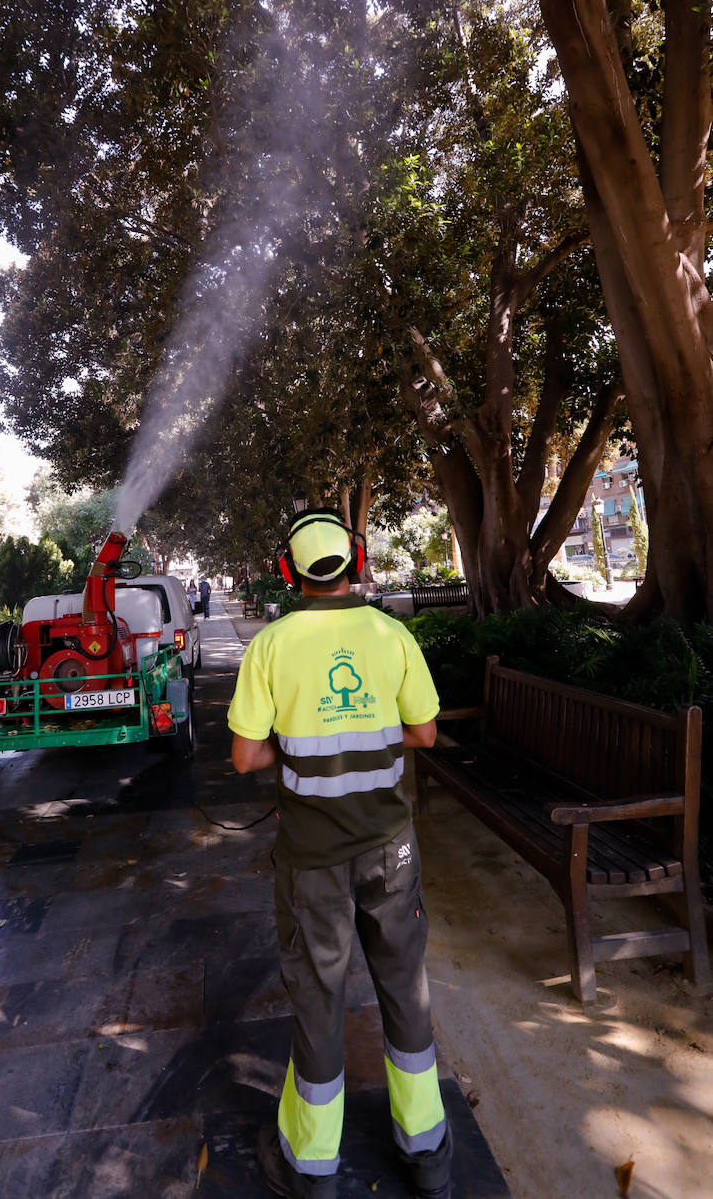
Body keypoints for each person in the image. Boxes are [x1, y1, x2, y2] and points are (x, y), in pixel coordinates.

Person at [228, 509, 452, 1199]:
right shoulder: (391, 635)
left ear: (290, 571)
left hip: (312, 860)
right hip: (392, 852)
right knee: (404, 992)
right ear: (355, 563)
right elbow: (426, 732)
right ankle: (429, 1156)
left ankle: (312, 1166)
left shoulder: (272, 644)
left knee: (319, 1000)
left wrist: (297, 748)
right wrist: (366, 738)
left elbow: (244, 757)